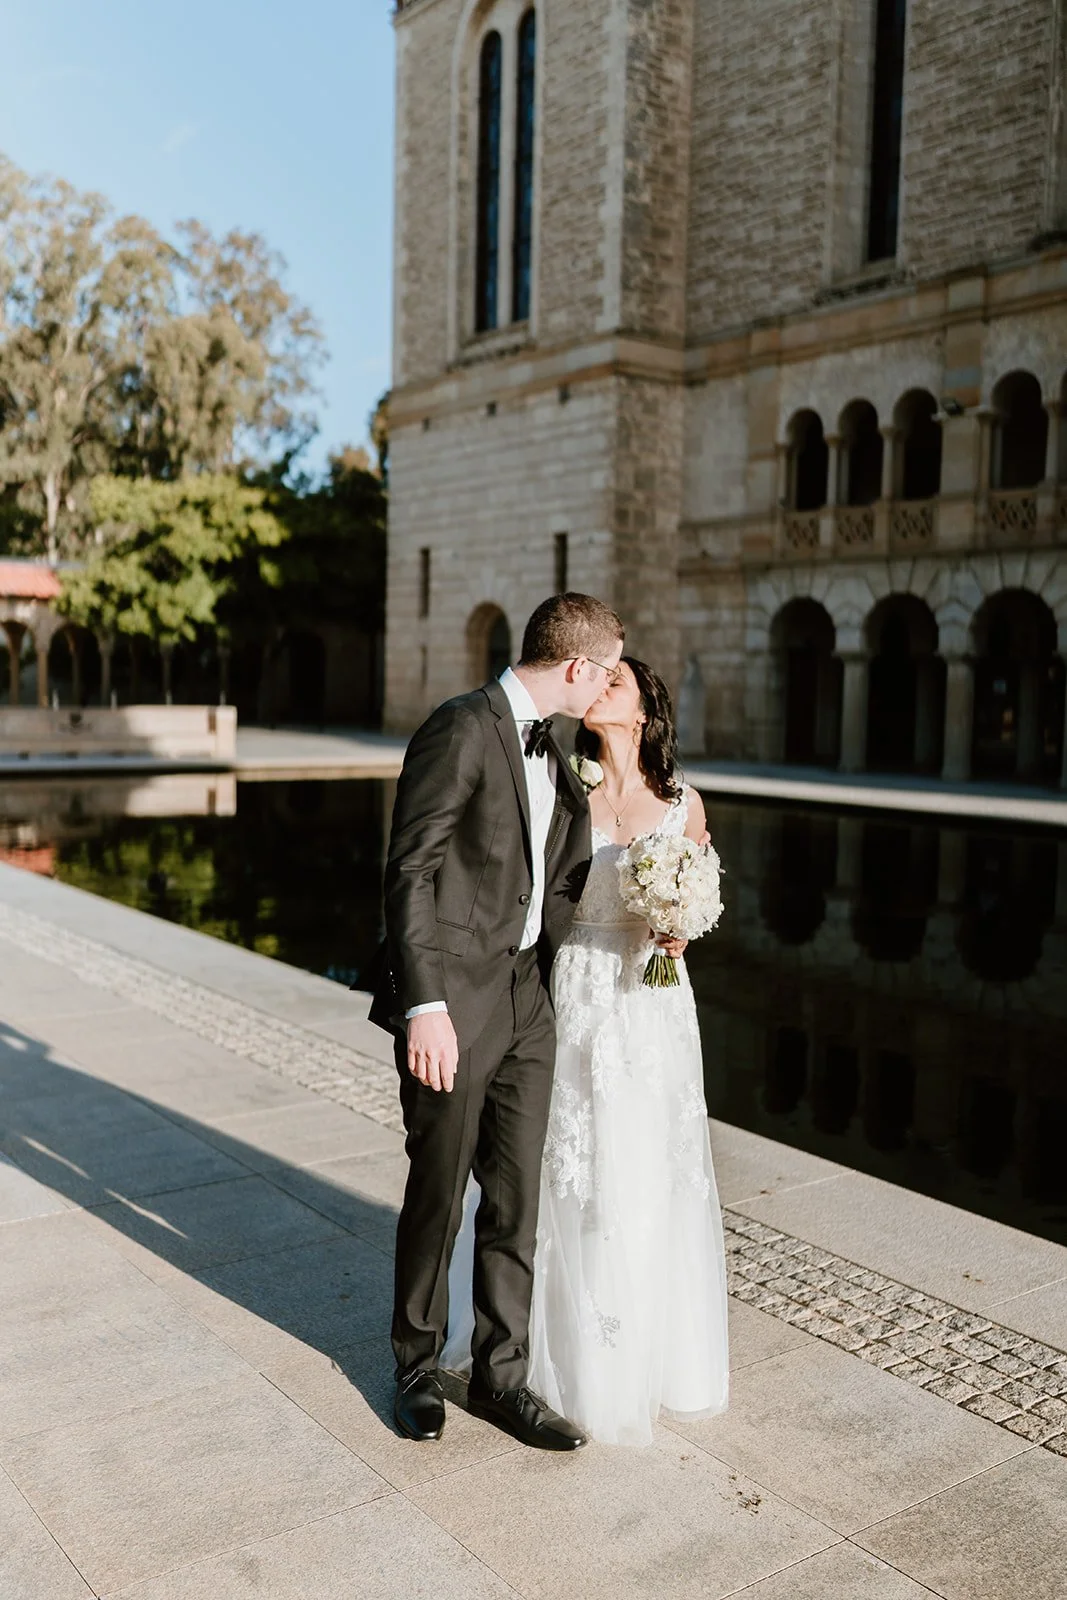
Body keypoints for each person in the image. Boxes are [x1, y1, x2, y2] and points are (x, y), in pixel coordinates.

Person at [442, 657, 730, 1445]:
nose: (598, 691)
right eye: (594, 681)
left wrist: (679, 928)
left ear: (643, 713)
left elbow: (696, 900)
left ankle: (633, 1352)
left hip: (650, 1006)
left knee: (637, 1168)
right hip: (569, 991)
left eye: (616, 686)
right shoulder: (563, 784)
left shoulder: (683, 805)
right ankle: (526, 1349)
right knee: (558, 1163)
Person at [370, 592, 625, 1450]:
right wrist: (425, 1006)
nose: (607, 688)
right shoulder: (460, 727)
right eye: (606, 672)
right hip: (452, 1004)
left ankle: (499, 1377)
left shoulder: (559, 749)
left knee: (515, 1202)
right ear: (576, 666)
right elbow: (409, 871)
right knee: (439, 1194)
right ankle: (413, 1367)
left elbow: (553, 877)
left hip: (527, 1001)